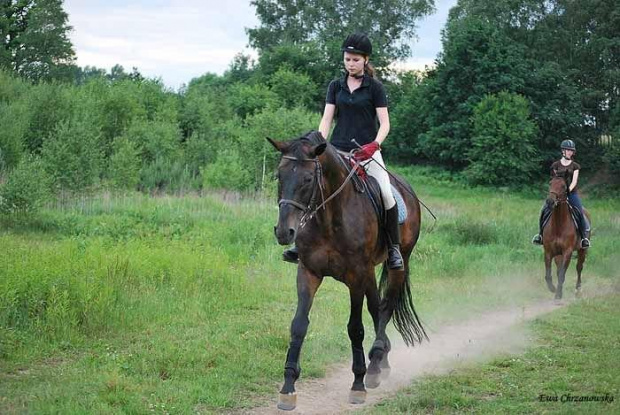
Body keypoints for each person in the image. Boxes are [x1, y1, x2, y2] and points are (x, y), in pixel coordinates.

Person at [283, 32, 404, 270]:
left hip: (366, 151)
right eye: (347, 59)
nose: (350, 64)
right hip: (337, 151)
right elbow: (326, 119)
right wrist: (317, 144)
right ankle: (301, 244)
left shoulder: (375, 88)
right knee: (313, 189)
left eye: (355, 60)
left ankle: (393, 249)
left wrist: (374, 145)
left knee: (387, 195)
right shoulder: (335, 86)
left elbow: (385, 123)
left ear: (366, 60)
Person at [532, 139, 590, 248]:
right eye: (567, 150)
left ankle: (583, 238)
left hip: (571, 194)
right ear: (563, 151)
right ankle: (540, 235)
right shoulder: (555, 165)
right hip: (557, 194)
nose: (570, 152)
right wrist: (557, 193)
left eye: (571, 151)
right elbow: (554, 181)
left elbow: (574, 181)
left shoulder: (575, 166)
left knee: (579, 212)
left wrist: (568, 192)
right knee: (544, 210)